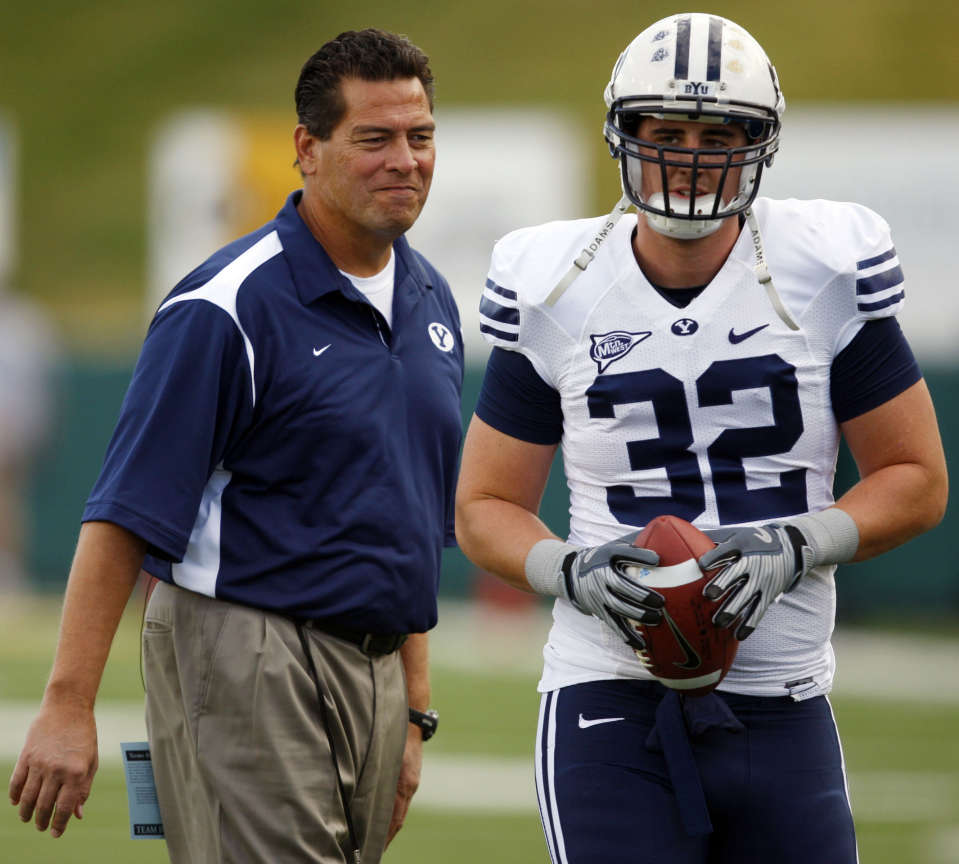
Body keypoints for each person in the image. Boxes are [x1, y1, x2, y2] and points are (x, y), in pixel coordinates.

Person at [455, 12, 947, 864]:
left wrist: (794, 544)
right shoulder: (559, 286)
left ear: (759, 142)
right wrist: (569, 570)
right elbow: (485, 505)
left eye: (716, 133)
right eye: (666, 131)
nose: (688, 155)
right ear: (623, 137)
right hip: (606, 691)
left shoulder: (820, 272)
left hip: (784, 694)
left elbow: (915, 477)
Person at [9, 28, 463, 864]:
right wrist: (68, 705)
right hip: (248, 646)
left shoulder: (430, 295)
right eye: (374, 139)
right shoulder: (225, 304)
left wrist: (413, 707)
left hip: (377, 667)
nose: (405, 160)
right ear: (307, 149)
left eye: (419, 136)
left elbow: (412, 516)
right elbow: (124, 512)